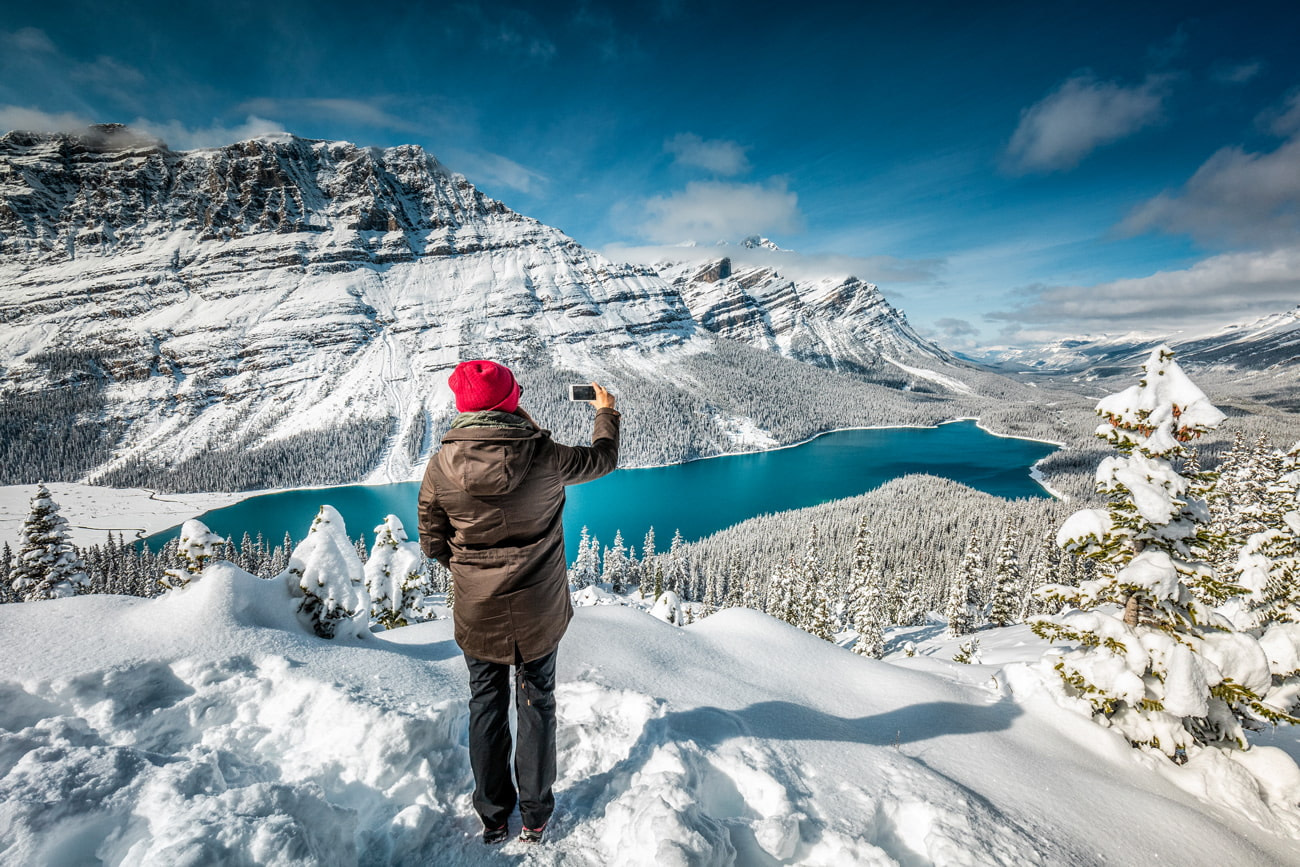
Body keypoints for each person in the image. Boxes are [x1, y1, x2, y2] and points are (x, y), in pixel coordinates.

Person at [417, 359, 620, 846]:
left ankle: (492, 816)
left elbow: (431, 542)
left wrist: (472, 573)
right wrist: (606, 413)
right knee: (536, 701)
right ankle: (535, 814)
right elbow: (602, 459)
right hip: (539, 609)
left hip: (477, 610)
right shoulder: (545, 454)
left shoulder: (442, 465)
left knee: (485, 702)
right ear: (511, 401)